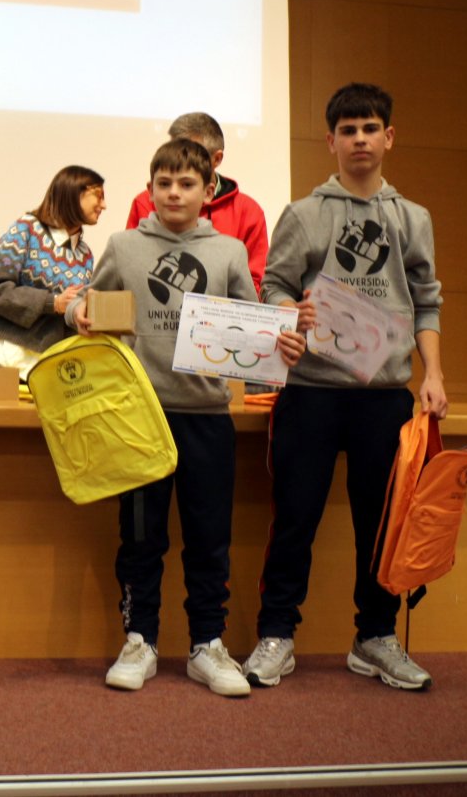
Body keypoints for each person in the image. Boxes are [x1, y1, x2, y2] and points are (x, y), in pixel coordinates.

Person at [74, 138, 306, 698]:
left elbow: (251, 328)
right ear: (150, 188)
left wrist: (281, 342)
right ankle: (140, 640)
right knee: (141, 539)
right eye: (163, 183)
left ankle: (208, 643)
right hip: (138, 415)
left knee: (209, 540)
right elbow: (90, 303)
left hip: (205, 416)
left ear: (208, 192)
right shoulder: (123, 244)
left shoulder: (227, 251)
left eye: (186, 184)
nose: (173, 193)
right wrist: (80, 311)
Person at [244, 82, 447, 692]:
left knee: (380, 524)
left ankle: (375, 637)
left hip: (385, 396)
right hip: (310, 392)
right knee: (294, 521)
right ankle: (276, 635)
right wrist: (290, 316)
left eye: (370, 128)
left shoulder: (413, 217)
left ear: (389, 137)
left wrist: (433, 374)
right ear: (330, 141)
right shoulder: (304, 214)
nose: (360, 139)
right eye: (348, 130)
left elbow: (427, 303)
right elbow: (273, 286)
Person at [0, 165, 105, 373]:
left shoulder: (85, 255)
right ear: (73, 192)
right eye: (98, 195)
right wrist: (54, 302)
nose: (103, 205)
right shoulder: (26, 229)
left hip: (43, 366)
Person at [126, 112, 268, 292]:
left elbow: (254, 283)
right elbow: (129, 272)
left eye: (193, 151)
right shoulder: (145, 202)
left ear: (216, 159)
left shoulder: (248, 212)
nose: (181, 157)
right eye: (174, 148)